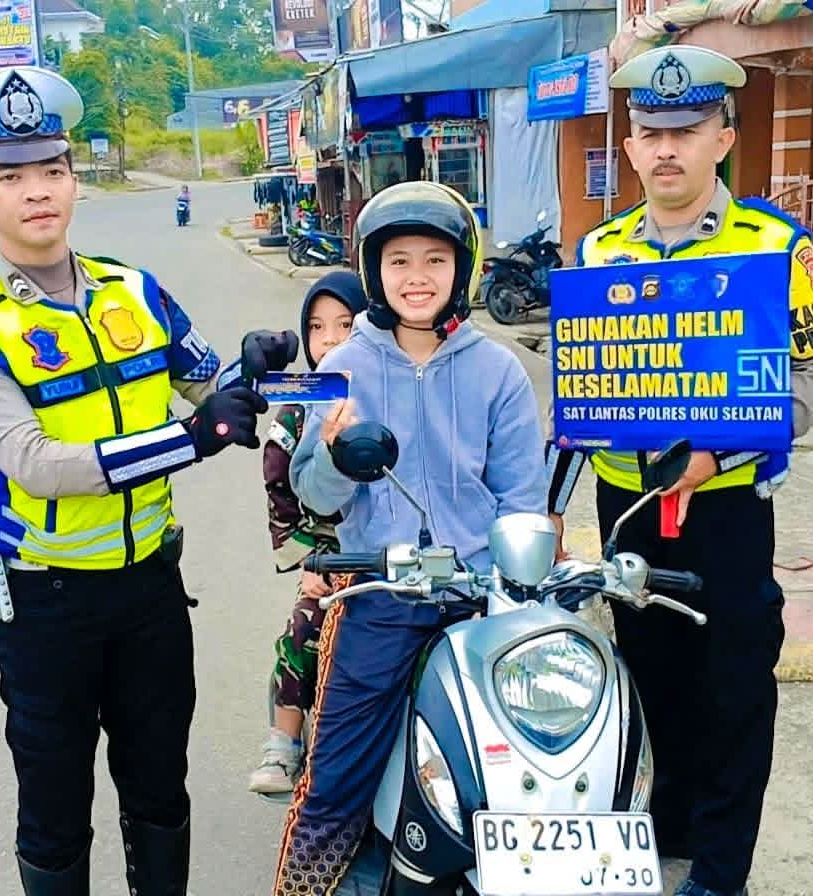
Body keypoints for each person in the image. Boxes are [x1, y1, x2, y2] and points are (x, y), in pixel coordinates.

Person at [0, 66, 300, 896]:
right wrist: (190, 440)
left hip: (150, 588)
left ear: (75, 179)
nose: (36, 192)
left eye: (51, 170)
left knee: (159, 785)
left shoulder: (135, 292)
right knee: (54, 802)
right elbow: (35, 463)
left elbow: (203, 387)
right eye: (10, 177)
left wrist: (251, 369)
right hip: (46, 605)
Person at [545, 45, 813, 896]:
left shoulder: (775, 248)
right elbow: (577, 394)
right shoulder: (598, 252)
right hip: (625, 507)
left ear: (724, 136)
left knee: (731, 692)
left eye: (686, 130)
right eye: (648, 131)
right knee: (649, 679)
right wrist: (549, 505)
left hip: (722, 516)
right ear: (631, 139)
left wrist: (730, 442)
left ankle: (718, 871)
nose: (665, 149)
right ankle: (669, 829)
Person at [270, 181, 549, 894]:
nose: (416, 277)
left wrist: (518, 582)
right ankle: (308, 884)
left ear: (463, 269)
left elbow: (521, 496)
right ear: (373, 272)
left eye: (434, 259)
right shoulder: (343, 368)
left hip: (480, 597)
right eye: (398, 261)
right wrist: (332, 454)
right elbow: (311, 493)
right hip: (381, 594)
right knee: (335, 772)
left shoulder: (499, 371)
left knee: (529, 761)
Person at [248, 271, 368, 795]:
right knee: (303, 632)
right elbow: (278, 482)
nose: (332, 339)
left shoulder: (389, 388)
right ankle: (285, 744)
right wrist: (309, 565)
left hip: (395, 554)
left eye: (346, 324)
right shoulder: (299, 403)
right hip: (327, 561)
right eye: (317, 328)